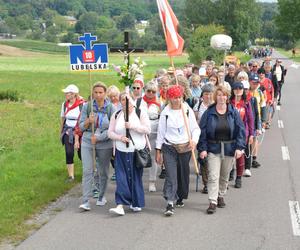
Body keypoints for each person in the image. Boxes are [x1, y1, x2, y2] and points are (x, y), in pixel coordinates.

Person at [198, 85, 245, 214]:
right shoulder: (209, 112)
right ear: (215, 97)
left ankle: (221, 195)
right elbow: (201, 132)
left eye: (224, 95)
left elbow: (241, 130)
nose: (221, 97)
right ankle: (212, 201)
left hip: (230, 148)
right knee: (213, 176)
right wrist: (202, 149)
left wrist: (240, 147)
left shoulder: (233, 112)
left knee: (224, 176)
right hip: (213, 148)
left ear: (227, 97)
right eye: (219, 95)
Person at [156, 85, 200, 216]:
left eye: (179, 97)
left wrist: (194, 140)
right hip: (169, 147)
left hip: (185, 147)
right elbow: (161, 132)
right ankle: (170, 202)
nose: (177, 100)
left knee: (182, 173)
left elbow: (195, 129)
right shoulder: (165, 113)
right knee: (171, 174)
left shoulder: (187, 110)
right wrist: (158, 151)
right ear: (169, 98)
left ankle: (180, 195)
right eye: (174, 98)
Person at [108, 92, 151, 215]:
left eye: (127, 99)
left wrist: (132, 126)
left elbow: (147, 129)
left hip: (136, 151)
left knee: (135, 177)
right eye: (122, 99)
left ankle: (135, 202)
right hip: (121, 151)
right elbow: (110, 132)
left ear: (132, 100)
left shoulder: (140, 113)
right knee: (121, 177)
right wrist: (119, 137)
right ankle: (120, 204)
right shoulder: (116, 115)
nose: (124, 102)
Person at [78, 82, 115, 211]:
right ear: (92, 93)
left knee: (103, 171)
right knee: (87, 170)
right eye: (96, 92)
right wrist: (88, 121)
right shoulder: (87, 107)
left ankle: (101, 196)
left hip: (104, 143)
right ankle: (86, 200)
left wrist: (99, 137)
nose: (98, 95)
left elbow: (112, 128)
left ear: (105, 94)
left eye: (101, 92)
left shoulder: (111, 108)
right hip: (88, 141)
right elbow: (81, 126)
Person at [230, 82, 254, 188]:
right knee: (229, 156)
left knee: (240, 156)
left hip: (242, 134)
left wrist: (251, 134)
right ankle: (230, 172)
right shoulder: (229, 103)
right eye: (236, 88)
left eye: (240, 88)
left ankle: (238, 177)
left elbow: (250, 120)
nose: (238, 90)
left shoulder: (246, 103)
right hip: (229, 134)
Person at [60, 84, 85, 182]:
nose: (66, 94)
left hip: (80, 132)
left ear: (74, 94)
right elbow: (63, 118)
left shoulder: (82, 105)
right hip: (68, 131)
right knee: (69, 152)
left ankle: (87, 173)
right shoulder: (64, 105)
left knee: (81, 153)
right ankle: (71, 176)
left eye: (68, 93)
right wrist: (61, 131)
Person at [193, 84, 214, 193]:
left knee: (214, 160)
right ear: (203, 95)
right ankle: (206, 183)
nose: (208, 96)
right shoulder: (199, 105)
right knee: (204, 160)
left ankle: (214, 182)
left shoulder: (216, 105)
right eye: (206, 94)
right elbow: (195, 120)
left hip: (215, 137)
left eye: (210, 94)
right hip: (202, 136)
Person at [141, 81, 161, 192]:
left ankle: (152, 181)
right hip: (141, 133)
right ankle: (137, 179)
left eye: (153, 91)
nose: (151, 93)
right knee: (139, 156)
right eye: (149, 91)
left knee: (153, 157)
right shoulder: (140, 102)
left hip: (154, 132)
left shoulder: (158, 103)